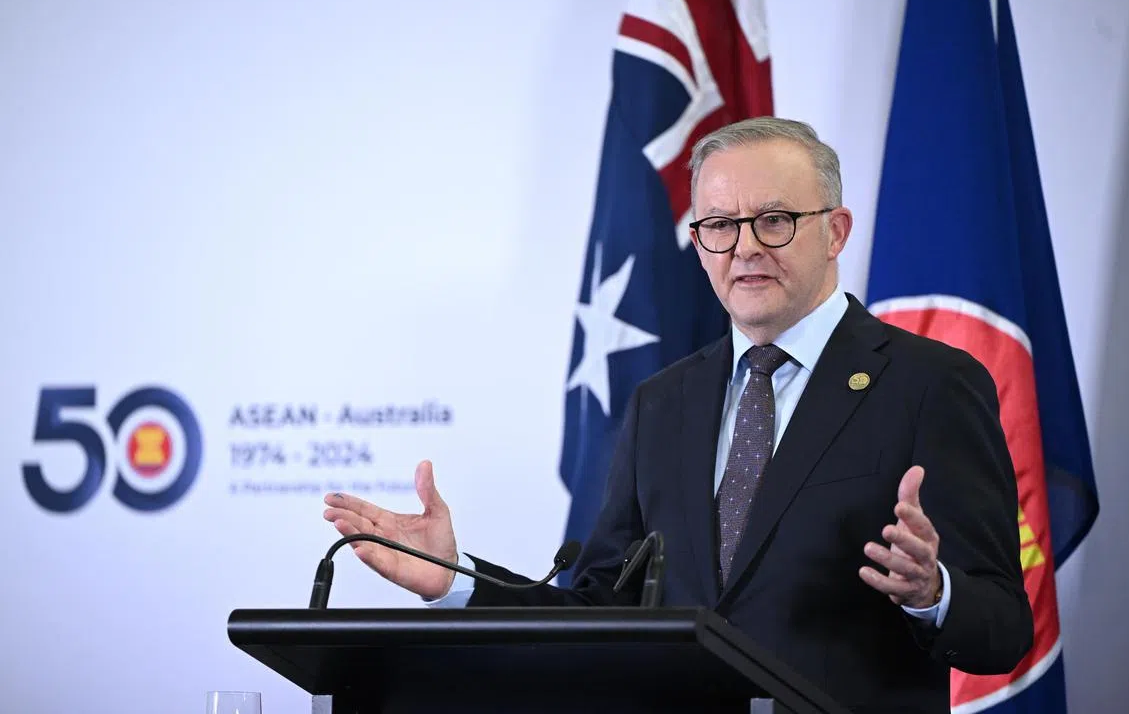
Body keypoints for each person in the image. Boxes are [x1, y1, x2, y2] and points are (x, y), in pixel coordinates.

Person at [323, 117, 1032, 713]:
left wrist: (932, 593)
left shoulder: (930, 384)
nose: (745, 246)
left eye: (775, 220)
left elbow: (1002, 629)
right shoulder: (664, 401)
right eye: (719, 225)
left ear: (836, 231)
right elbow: (606, 609)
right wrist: (457, 579)